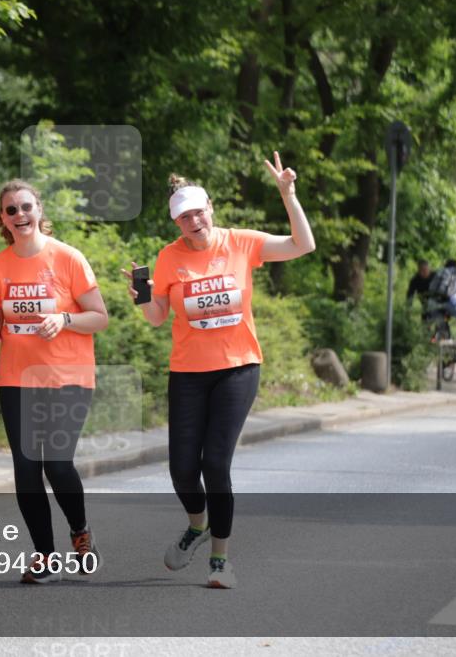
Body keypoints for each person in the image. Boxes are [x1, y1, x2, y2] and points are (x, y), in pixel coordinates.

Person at [122, 152, 314, 589]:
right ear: (177, 223)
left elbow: (303, 246)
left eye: (199, 212)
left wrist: (289, 195)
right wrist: (140, 294)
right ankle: (196, 526)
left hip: (237, 368)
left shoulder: (241, 242)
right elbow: (156, 317)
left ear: (211, 209)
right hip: (188, 371)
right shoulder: (169, 258)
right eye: (185, 216)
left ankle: (220, 560)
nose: (194, 221)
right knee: (182, 470)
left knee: (215, 464)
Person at [0, 179, 109, 584]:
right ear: (2, 218)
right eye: (11, 210)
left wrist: (65, 319)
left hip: (67, 376)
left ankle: (80, 531)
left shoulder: (68, 258)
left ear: (39, 210)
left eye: (26, 207)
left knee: (56, 462)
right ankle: (45, 556)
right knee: (26, 466)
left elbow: (99, 317)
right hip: (16, 378)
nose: (20, 215)